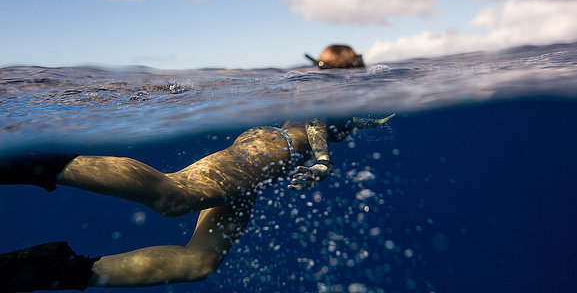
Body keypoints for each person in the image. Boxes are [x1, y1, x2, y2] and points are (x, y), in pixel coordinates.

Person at [0, 115, 393, 291]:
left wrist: (373, 121)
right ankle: (29, 164)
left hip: (260, 173)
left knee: (199, 264)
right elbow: (317, 120)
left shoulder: (363, 103)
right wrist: (323, 160)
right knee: (174, 196)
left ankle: (42, 270)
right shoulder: (328, 94)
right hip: (265, 152)